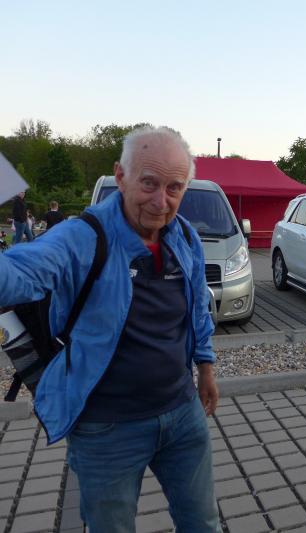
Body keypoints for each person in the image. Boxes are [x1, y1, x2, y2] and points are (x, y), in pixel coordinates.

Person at [0, 126, 220, 532]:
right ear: (121, 176)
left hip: (182, 414)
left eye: (174, 188)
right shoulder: (83, 237)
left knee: (203, 523)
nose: (161, 202)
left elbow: (197, 310)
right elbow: (18, 273)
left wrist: (205, 367)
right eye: (149, 183)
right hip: (106, 429)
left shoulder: (185, 236)